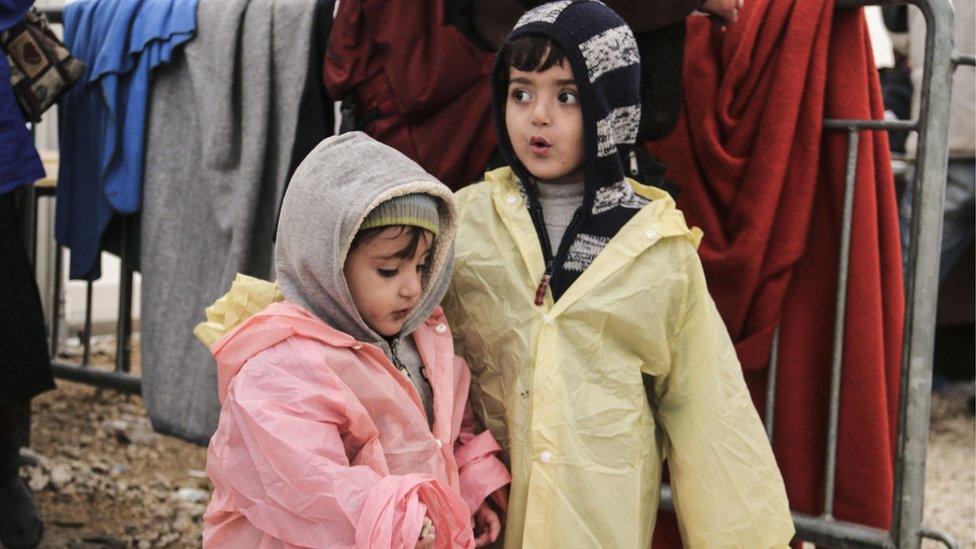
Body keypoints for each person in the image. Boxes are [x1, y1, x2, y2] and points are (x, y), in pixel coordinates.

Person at [441, 2, 793, 547]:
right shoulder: (466, 223)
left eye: (567, 96)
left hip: (598, 522)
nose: (538, 115)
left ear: (611, 110)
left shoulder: (655, 248)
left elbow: (707, 409)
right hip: (483, 515)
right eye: (520, 92)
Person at [199, 133, 510, 548]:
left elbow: (449, 434)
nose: (411, 289)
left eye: (421, 266)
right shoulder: (284, 366)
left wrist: (467, 496)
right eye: (388, 271)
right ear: (327, 265)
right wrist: (403, 522)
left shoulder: (423, 340)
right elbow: (308, 486)